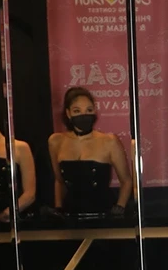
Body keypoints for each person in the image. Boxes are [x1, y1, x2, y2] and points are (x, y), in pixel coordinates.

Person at [48, 86, 133, 216]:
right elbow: (59, 181)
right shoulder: (56, 141)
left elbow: (126, 180)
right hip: (70, 215)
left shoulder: (109, 141)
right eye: (77, 111)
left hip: (103, 213)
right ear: (68, 113)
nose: (84, 115)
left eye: (89, 110)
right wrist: (58, 208)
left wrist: (119, 207)